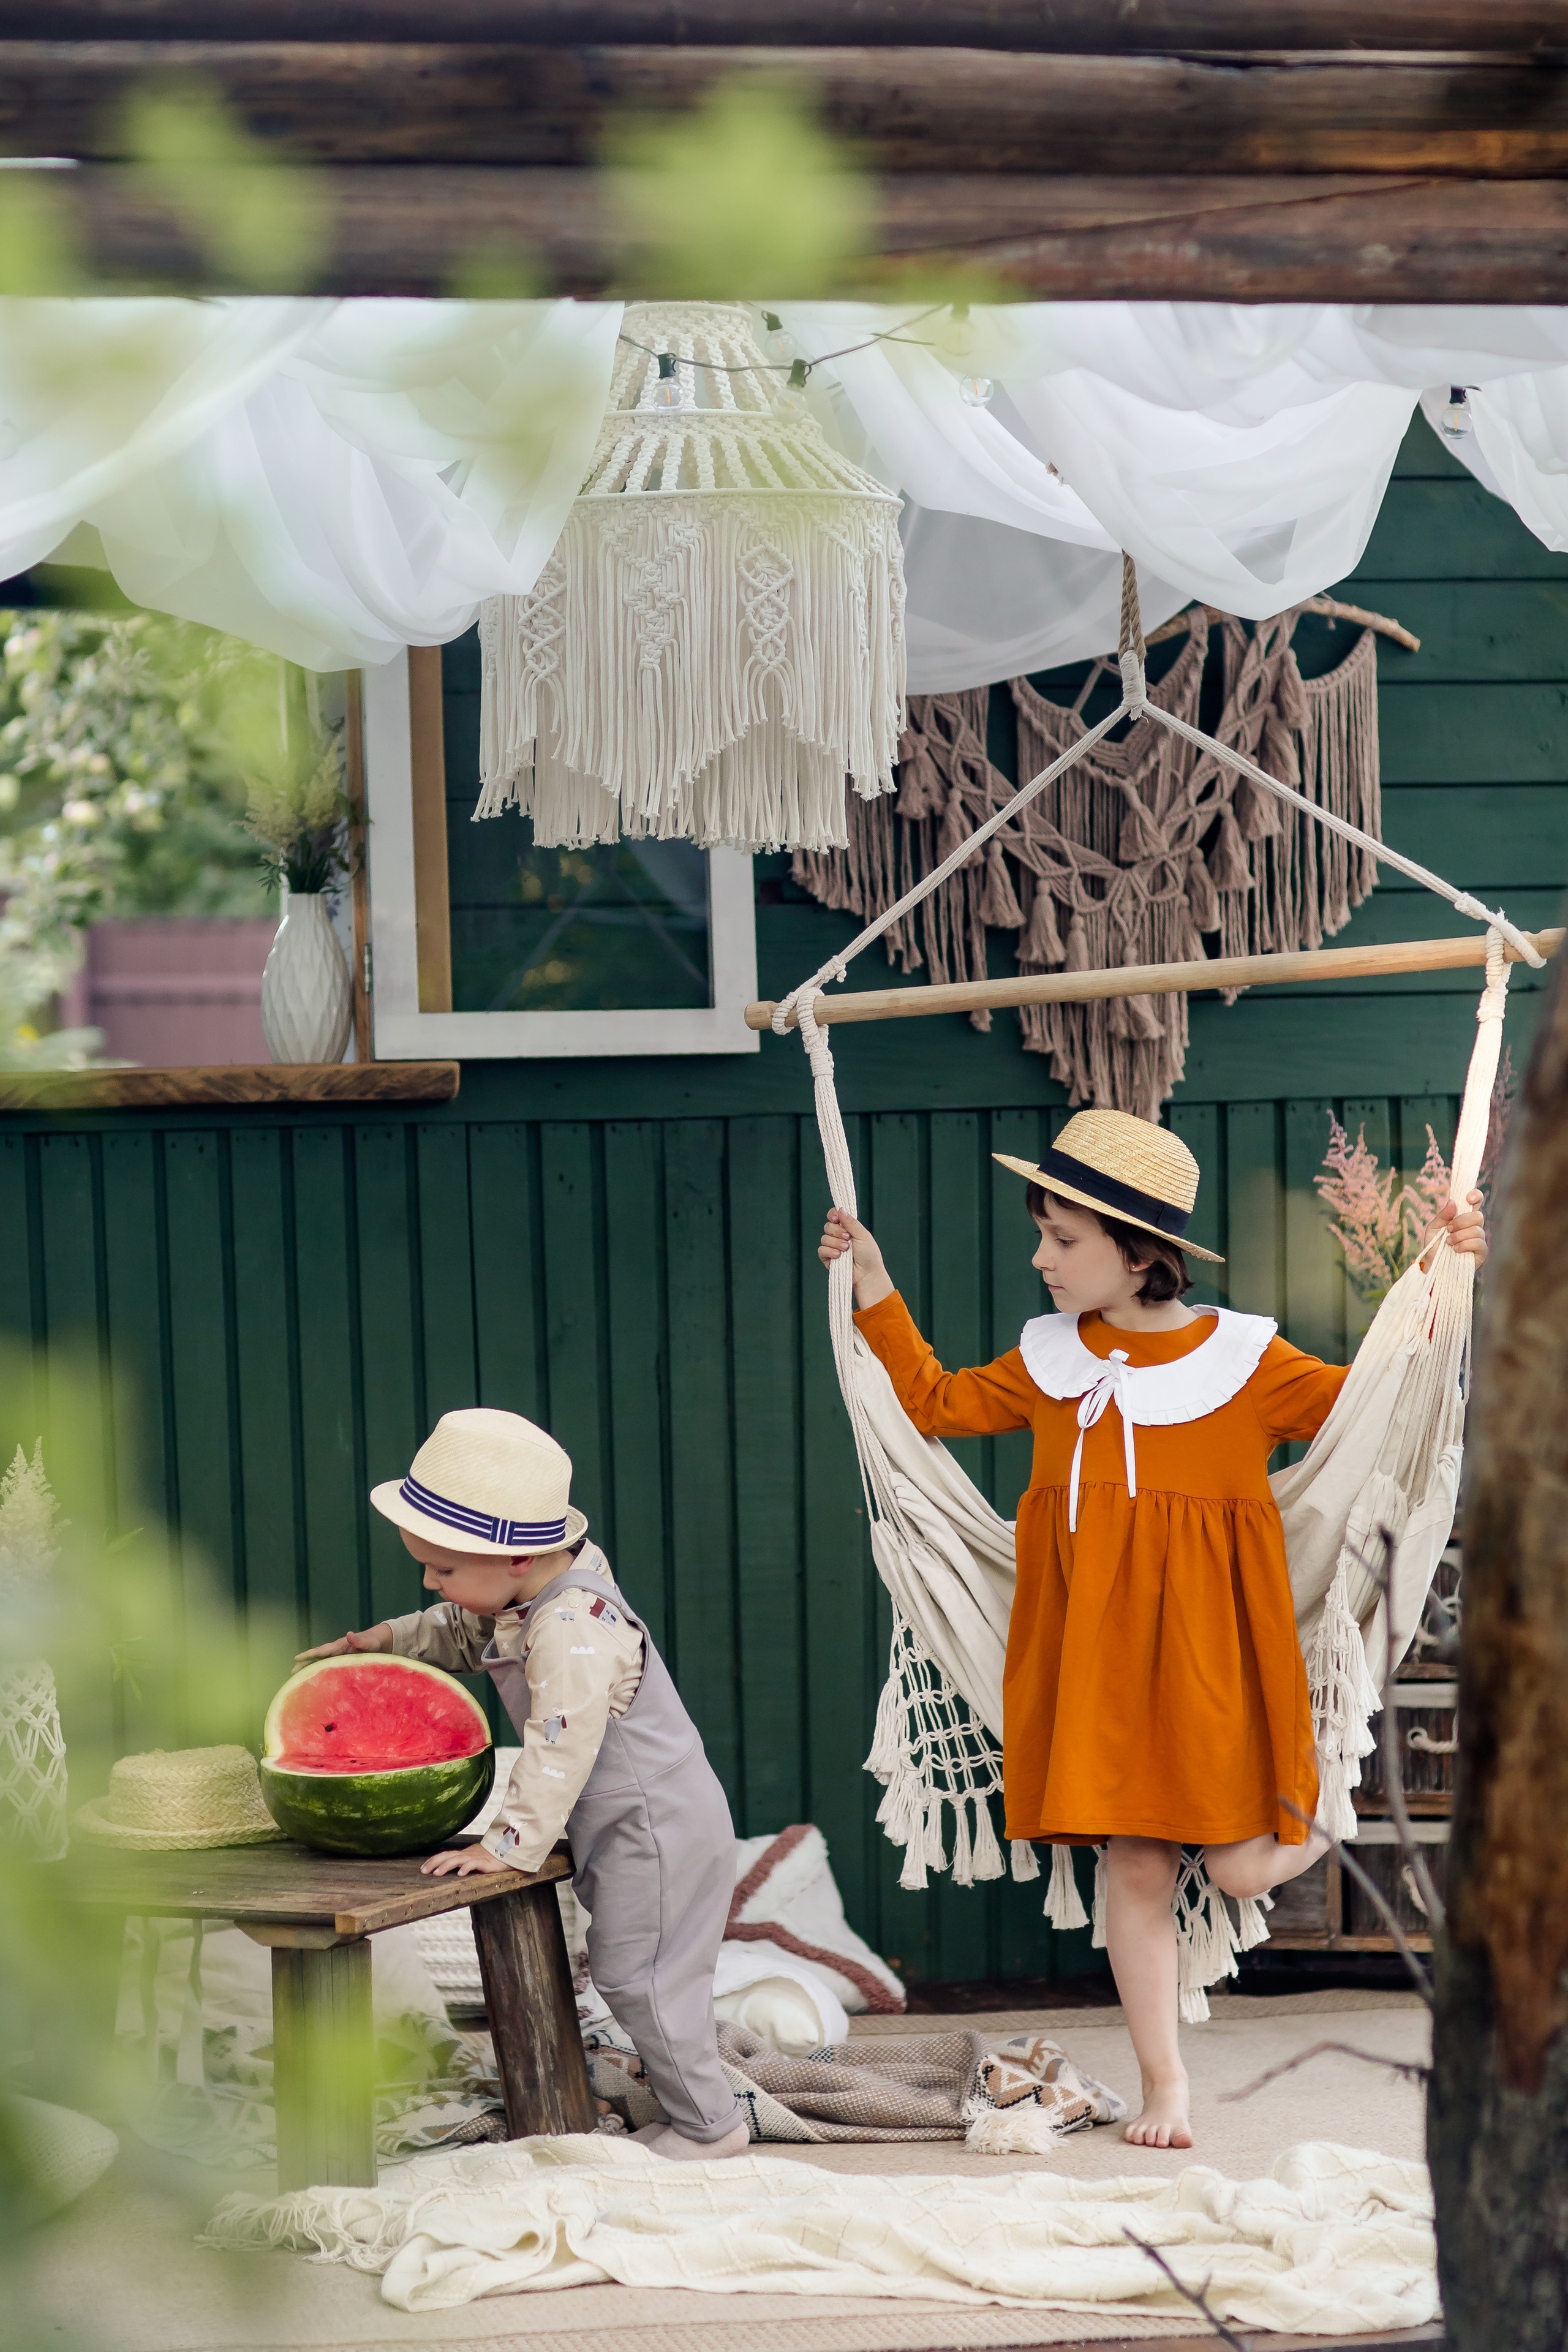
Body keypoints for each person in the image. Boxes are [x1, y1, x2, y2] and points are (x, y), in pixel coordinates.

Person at [819, 1107, 1485, 2150]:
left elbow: (1382, 1406)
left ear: (1140, 1256)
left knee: (1230, 1864)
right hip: (1093, 1658)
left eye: (1063, 1238)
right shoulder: (1049, 1363)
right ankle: (1166, 2084)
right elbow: (933, 1402)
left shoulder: (1246, 1364)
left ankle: (1316, 1811)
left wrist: (1443, 1285)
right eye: (1041, 1231)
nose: (1040, 1257)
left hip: (1212, 1652)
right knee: (1130, 1867)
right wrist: (870, 1283)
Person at [296, 1405, 748, 2162]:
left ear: (512, 1560)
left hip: (655, 1827)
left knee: (644, 1978)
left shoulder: (571, 1628)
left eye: (441, 1568)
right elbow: (466, 1629)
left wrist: (510, 1847)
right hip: (632, 1820)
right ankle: (689, 2110)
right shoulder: (538, 1588)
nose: (428, 1579)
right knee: (628, 1969)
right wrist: (388, 1640)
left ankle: (712, 2127)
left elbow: (560, 1747)